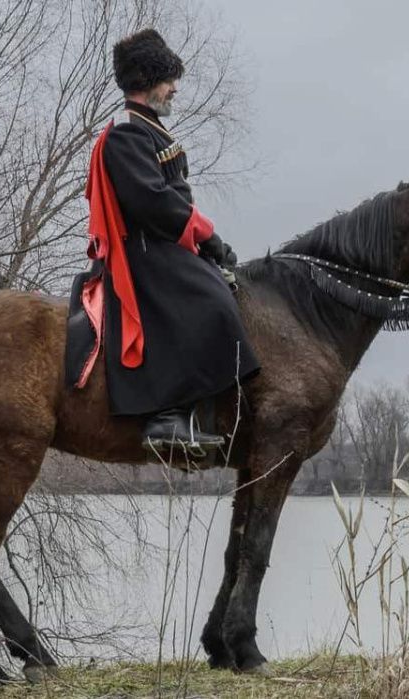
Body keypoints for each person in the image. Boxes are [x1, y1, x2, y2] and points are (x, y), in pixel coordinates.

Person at [78, 28, 260, 455]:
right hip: (144, 251)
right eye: (168, 80)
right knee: (211, 300)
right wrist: (207, 236)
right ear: (146, 81)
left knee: (223, 289)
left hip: (163, 244)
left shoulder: (148, 127)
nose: (174, 88)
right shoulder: (127, 133)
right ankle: (167, 417)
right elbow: (153, 203)